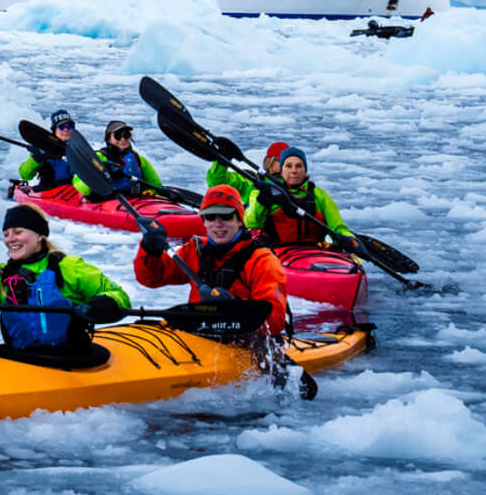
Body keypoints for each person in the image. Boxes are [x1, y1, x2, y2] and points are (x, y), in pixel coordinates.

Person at [0, 204, 132, 367]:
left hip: (73, 358)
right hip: (22, 359)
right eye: (6, 234)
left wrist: (103, 304)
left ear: (40, 235)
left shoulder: (68, 267)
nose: (10, 239)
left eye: (18, 232)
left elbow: (118, 295)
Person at [134, 185, 289, 340]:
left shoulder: (262, 260)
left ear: (240, 220)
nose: (218, 223)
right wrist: (150, 249)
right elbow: (151, 278)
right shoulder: (194, 250)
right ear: (204, 221)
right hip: (199, 337)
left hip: (244, 342)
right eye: (210, 217)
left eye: (226, 216)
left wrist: (236, 308)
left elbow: (276, 321)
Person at [252, 144, 350, 247]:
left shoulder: (320, 195)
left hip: (315, 254)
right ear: (282, 170)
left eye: (299, 166)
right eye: (288, 166)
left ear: (305, 169)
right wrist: (261, 203)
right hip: (277, 254)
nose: (294, 171)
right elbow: (252, 224)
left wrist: (348, 239)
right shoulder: (268, 193)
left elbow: (338, 227)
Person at [74, 120, 166, 202]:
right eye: (117, 136)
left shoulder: (138, 159)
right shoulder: (98, 157)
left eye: (126, 135)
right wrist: (101, 171)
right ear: (108, 138)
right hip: (108, 201)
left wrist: (150, 192)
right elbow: (80, 187)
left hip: (135, 201)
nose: (123, 139)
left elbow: (156, 185)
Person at [12, 109, 82, 194]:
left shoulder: (79, 148)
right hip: (48, 192)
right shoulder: (43, 148)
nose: (66, 129)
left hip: (74, 193)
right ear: (54, 130)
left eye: (69, 126)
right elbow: (25, 175)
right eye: (61, 127)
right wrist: (37, 158)